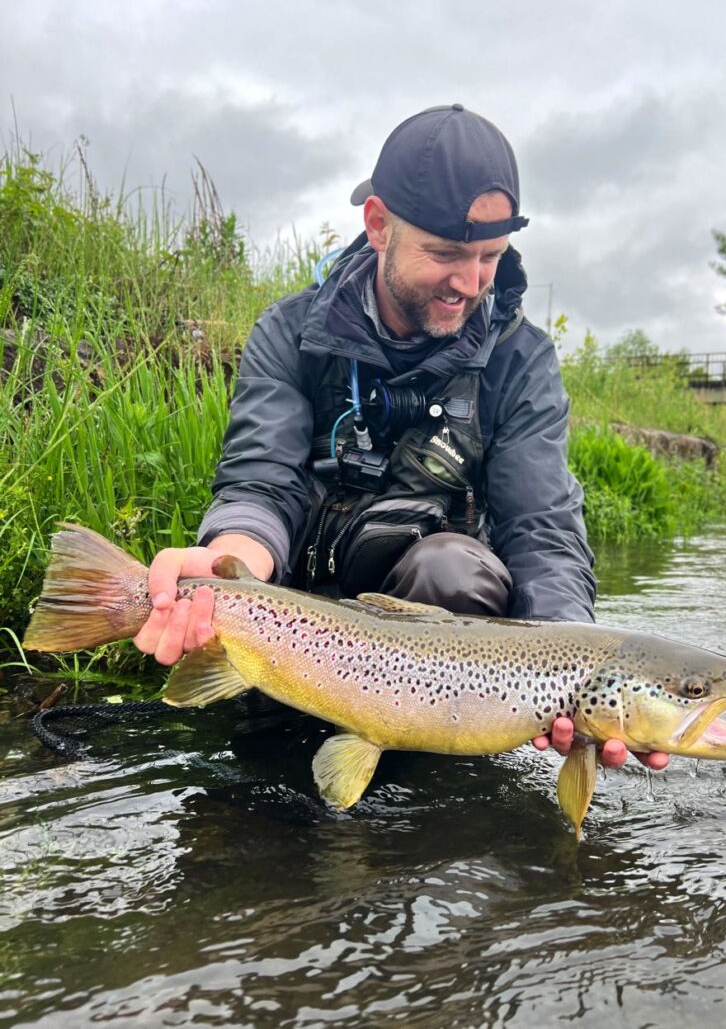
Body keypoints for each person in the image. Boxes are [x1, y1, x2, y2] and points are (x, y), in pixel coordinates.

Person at [135, 104, 668, 772]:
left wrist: (580, 678)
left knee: (454, 567)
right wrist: (224, 566)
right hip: (301, 623)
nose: (470, 284)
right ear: (379, 225)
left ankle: (421, 773)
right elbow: (259, 485)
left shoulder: (519, 360)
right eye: (446, 253)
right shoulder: (290, 333)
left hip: (441, 642)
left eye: (489, 259)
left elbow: (542, 526)